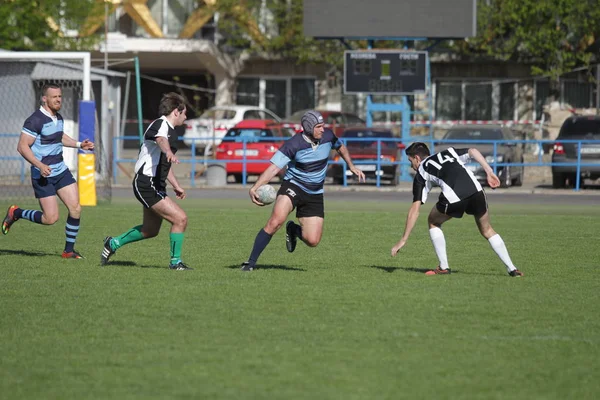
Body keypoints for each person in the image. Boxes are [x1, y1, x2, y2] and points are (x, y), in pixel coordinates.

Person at [241, 110, 366, 271]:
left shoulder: (328, 136)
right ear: (308, 127)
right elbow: (273, 168)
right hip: (293, 186)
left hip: (314, 193)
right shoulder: (294, 144)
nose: (323, 129)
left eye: (323, 126)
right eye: (319, 127)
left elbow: (340, 147)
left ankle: (293, 229)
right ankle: (250, 263)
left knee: (312, 240)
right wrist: (255, 187)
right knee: (275, 221)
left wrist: (351, 166)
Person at [391, 142, 523, 277]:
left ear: (417, 158)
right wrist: (489, 172)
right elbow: (472, 150)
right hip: (477, 191)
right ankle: (512, 269)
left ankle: (443, 267)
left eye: (410, 161)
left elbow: (415, 209)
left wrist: (403, 239)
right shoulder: (448, 152)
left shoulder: (421, 172)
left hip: (455, 197)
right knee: (487, 230)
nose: (411, 165)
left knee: (433, 221)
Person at [2, 83, 95, 258]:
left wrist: (79, 144)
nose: (59, 99)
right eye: (54, 97)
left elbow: (59, 136)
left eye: (60, 96)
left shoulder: (58, 117)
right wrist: (39, 165)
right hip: (42, 174)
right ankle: (17, 212)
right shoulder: (35, 120)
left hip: (60, 171)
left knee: (75, 208)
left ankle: (68, 251)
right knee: (50, 219)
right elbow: (22, 147)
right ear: (44, 99)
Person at [100, 92, 191, 270]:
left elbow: (165, 163)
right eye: (184, 112)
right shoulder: (159, 125)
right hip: (146, 183)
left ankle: (112, 243)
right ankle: (175, 263)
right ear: (175, 111)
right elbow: (160, 140)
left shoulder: (171, 132)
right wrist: (168, 151)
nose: (186, 117)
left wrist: (176, 185)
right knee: (180, 219)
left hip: (156, 185)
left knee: (150, 230)